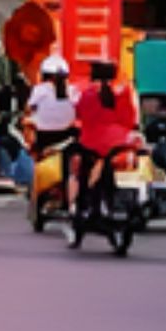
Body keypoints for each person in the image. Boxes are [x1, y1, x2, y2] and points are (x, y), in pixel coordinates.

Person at [69, 61, 138, 217]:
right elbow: (130, 120)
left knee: (83, 169)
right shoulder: (124, 92)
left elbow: (80, 115)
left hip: (91, 143)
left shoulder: (87, 94)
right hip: (118, 144)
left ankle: (82, 205)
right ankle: (110, 203)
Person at [24, 55, 79, 158]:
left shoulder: (40, 89)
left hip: (44, 137)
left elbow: (28, 109)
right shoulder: (72, 90)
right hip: (68, 136)